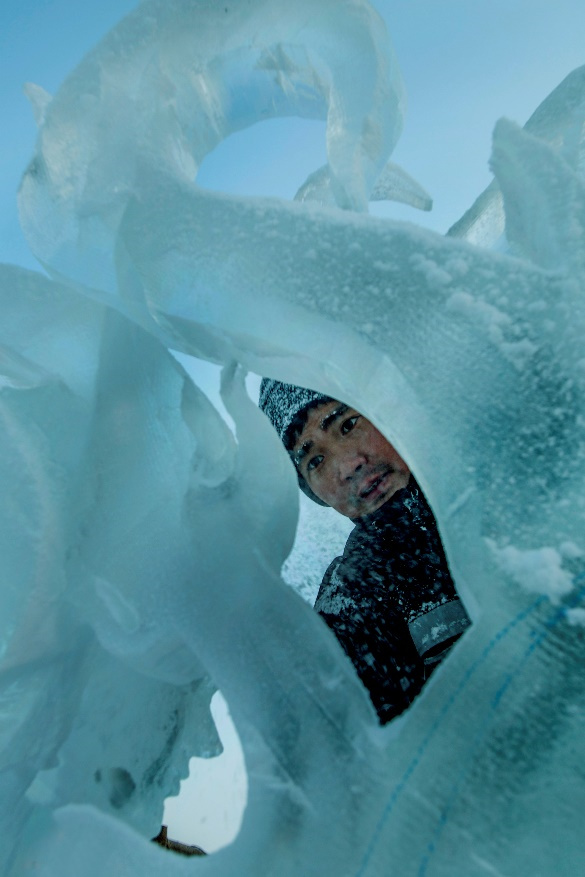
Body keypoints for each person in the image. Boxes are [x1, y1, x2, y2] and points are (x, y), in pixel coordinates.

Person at [259, 379, 471, 725]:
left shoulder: (501, 475)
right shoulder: (354, 589)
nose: (347, 467)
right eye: (315, 461)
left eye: (347, 424)